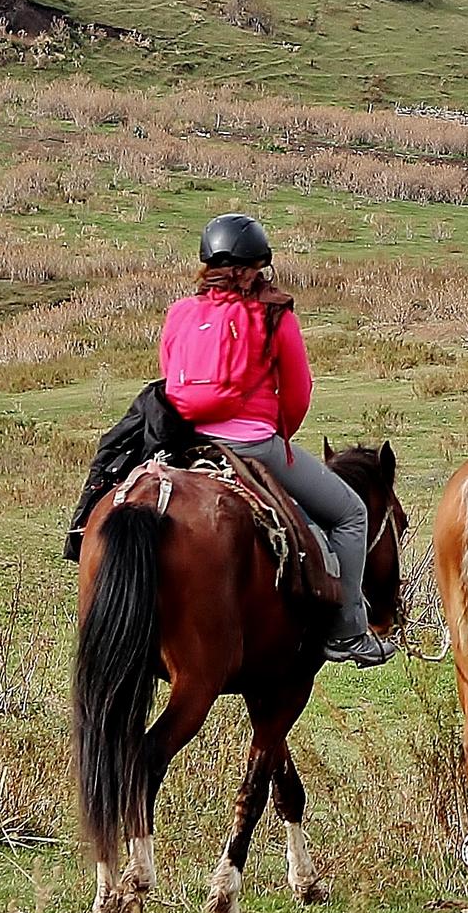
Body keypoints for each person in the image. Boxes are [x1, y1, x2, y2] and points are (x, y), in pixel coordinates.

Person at [159, 213, 391, 665]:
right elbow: (299, 392)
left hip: (189, 444)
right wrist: (277, 436)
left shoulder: (180, 313)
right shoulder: (272, 314)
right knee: (351, 513)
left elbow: (171, 377)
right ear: (255, 266)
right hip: (253, 444)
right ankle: (347, 632)